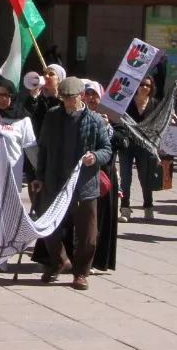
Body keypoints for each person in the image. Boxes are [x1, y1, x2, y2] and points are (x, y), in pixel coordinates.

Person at [28, 76, 112, 290]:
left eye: (70, 98)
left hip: (84, 185)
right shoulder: (53, 116)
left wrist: (95, 156)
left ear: (81, 96)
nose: (66, 102)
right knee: (49, 227)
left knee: (87, 234)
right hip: (55, 181)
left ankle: (80, 273)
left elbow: (106, 150)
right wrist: (39, 176)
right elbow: (43, 148)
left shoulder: (94, 120)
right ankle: (59, 261)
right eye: (63, 98)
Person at [79, 82, 120, 273]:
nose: (91, 98)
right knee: (85, 219)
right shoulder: (80, 115)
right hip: (84, 173)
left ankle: (98, 260)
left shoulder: (112, 118)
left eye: (94, 95)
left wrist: (107, 127)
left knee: (101, 217)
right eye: (87, 94)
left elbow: (121, 142)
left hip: (106, 173)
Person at [118, 78, 157, 220]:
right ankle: (125, 209)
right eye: (141, 84)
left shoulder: (154, 103)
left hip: (144, 146)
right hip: (126, 145)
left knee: (145, 177)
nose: (144, 87)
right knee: (125, 178)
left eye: (148, 85)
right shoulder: (127, 102)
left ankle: (148, 207)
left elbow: (159, 122)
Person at [28, 63, 66, 135]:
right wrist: (33, 98)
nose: (46, 76)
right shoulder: (39, 99)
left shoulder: (65, 101)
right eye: (45, 73)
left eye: (51, 74)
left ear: (59, 79)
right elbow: (27, 114)